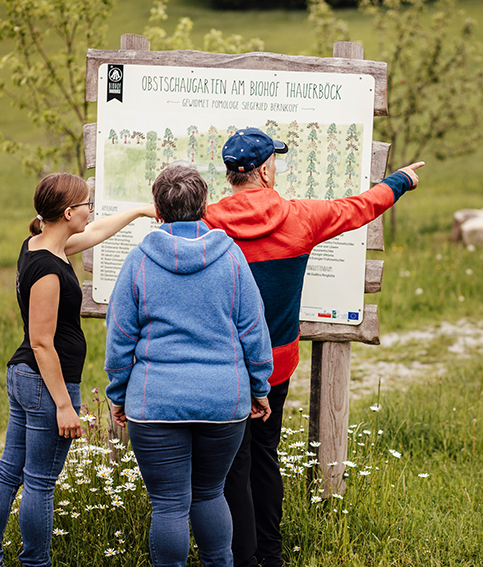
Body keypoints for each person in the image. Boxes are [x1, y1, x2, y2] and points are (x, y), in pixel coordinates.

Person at [205, 127, 424, 567]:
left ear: (231, 174)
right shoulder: (299, 217)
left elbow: (165, 210)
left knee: (232, 465)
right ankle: (270, 555)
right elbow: (358, 208)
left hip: (223, 366)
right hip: (275, 365)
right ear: (264, 171)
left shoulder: (205, 221)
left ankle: (240, 557)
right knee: (265, 454)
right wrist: (400, 180)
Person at [0, 173, 155, 567]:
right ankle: (35, 562)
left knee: (9, 472)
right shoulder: (48, 270)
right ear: (69, 212)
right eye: (87, 204)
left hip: (27, 377)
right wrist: (63, 405)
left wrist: (141, 211)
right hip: (45, 383)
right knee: (39, 481)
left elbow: (96, 233)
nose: (92, 210)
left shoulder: (43, 245)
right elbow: (42, 342)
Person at [104, 165, 274, 567]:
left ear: (157, 209)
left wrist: (118, 394)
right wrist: (260, 388)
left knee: (168, 504)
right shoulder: (230, 257)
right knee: (210, 493)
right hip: (223, 401)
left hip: (155, 401)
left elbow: (120, 337)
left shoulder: (139, 261)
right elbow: (253, 329)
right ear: (205, 204)